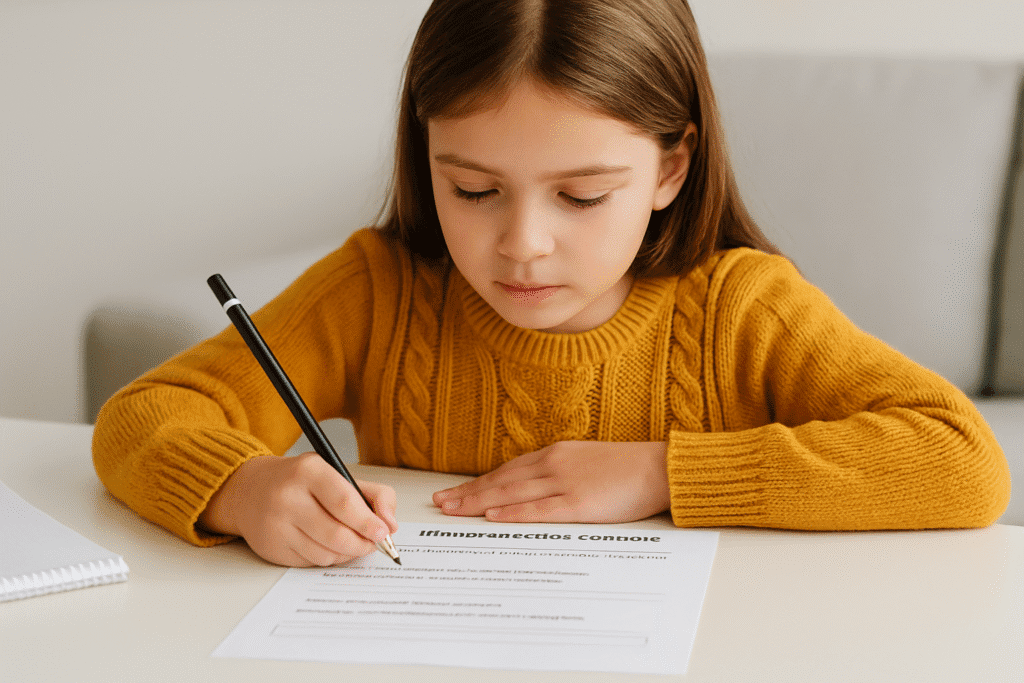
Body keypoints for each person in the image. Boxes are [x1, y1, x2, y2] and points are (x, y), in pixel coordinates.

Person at [92, 0, 1011, 568]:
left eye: (580, 195)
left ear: (670, 168)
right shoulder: (378, 292)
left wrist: (661, 471)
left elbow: (961, 461)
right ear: (427, 157)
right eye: (474, 189)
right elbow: (147, 412)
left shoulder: (741, 307)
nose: (521, 245)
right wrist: (244, 489)